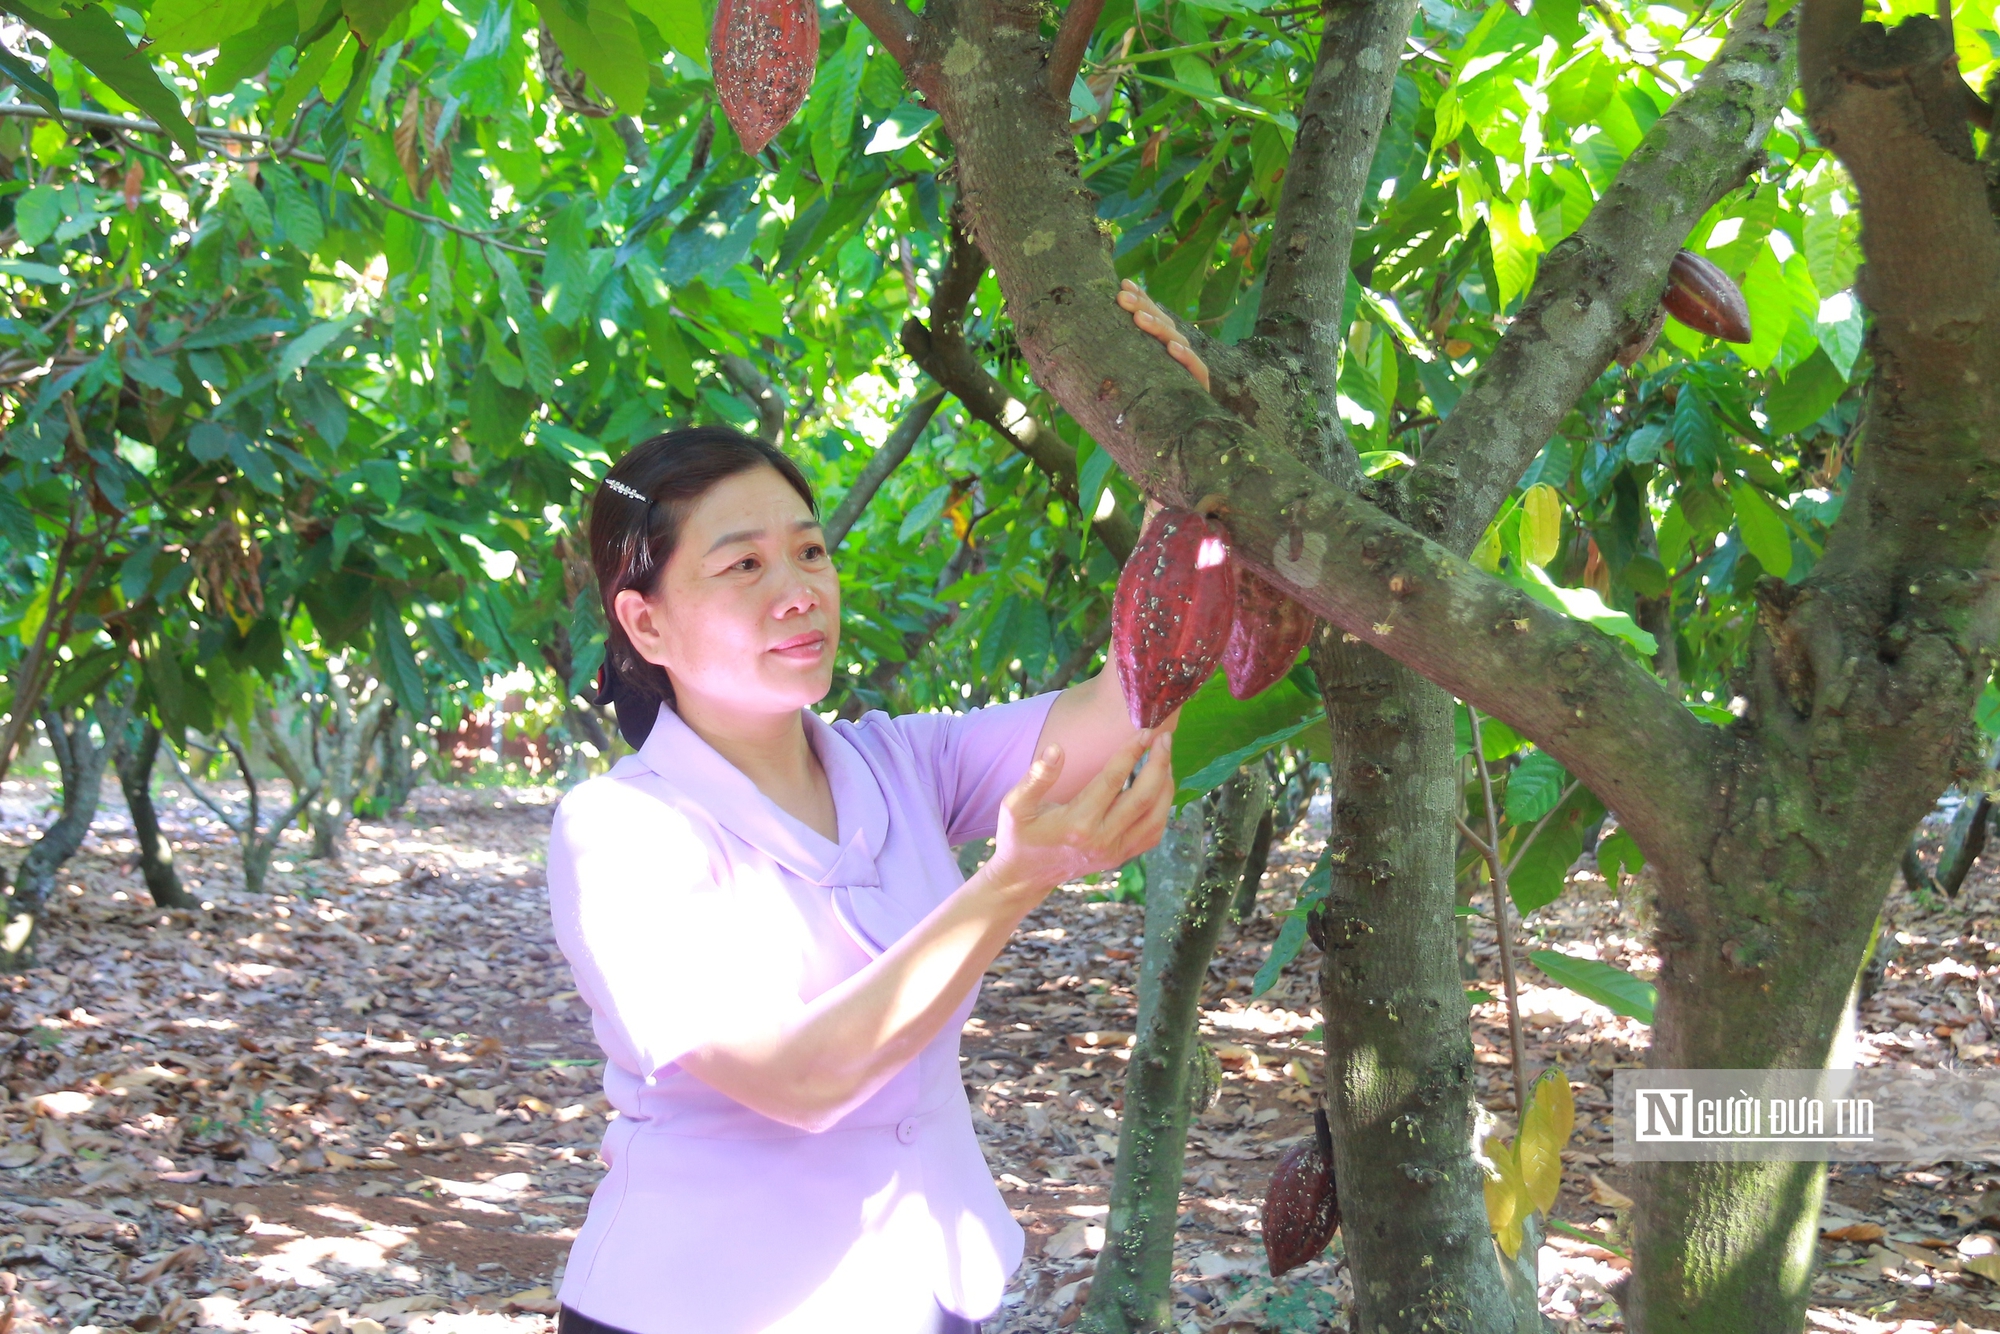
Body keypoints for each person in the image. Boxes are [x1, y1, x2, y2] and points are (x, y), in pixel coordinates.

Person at [546, 286, 1208, 1334]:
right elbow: (800, 1078)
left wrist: (1194, 478)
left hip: (930, 1292)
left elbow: (1131, 695)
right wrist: (1013, 879)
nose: (798, 587)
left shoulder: (901, 760)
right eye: (742, 565)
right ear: (646, 621)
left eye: (809, 550)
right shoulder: (622, 831)